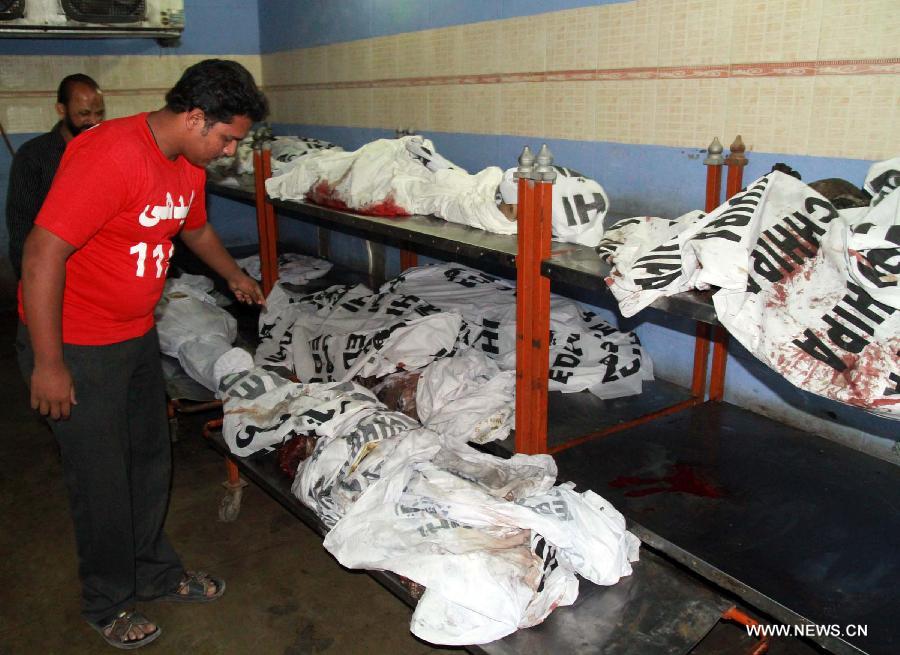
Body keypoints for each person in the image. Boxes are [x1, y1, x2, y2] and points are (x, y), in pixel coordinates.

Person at [16, 59, 268, 650]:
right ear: (196, 116)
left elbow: (193, 228)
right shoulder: (111, 154)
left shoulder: (187, 163)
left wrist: (235, 276)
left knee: (150, 459)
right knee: (101, 478)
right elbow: (40, 254)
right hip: (76, 343)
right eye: (227, 138)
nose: (230, 151)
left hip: (132, 334)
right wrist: (50, 363)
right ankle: (108, 599)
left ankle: (155, 572)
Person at [6, 73, 105, 279]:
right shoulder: (33, 156)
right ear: (61, 110)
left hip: (98, 269)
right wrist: (30, 277)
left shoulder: (107, 152)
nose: (94, 122)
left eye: (99, 114)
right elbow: (21, 224)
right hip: (53, 270)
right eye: (84, 114)